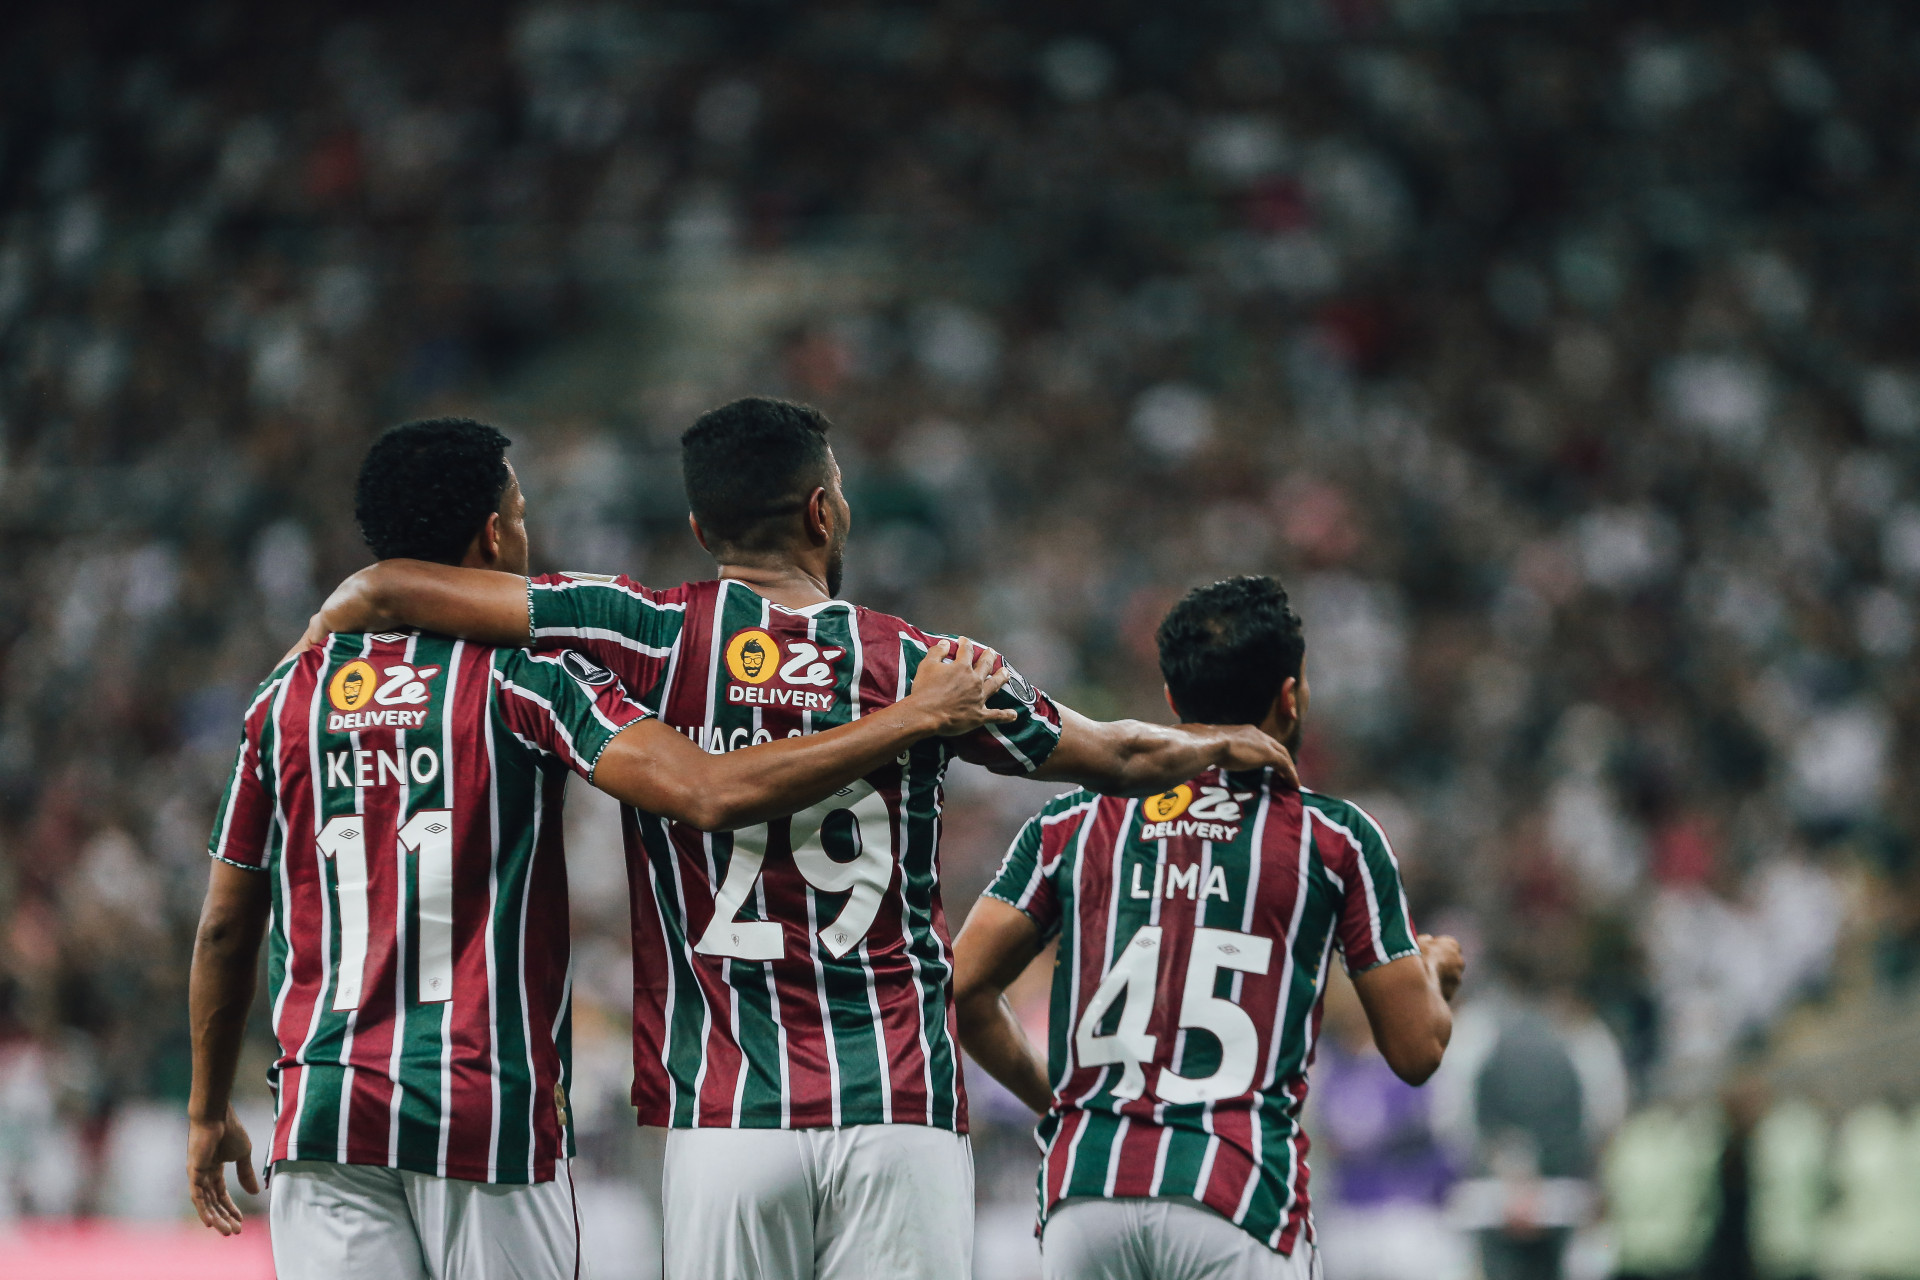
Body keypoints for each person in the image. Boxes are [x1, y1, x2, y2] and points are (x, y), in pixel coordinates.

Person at [303, 398, 1294, 1279]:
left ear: (700, 528)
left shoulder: (638, 631)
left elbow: (390, 587)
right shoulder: (925, 665)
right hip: (896, 1104)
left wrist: (324, 634)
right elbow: (1117, 754)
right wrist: (1222, 741)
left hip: (724, 1116)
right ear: (822, 510)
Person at [186, 418, 1020, 1279]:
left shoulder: (284, 697)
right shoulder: (530, 676)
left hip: (322, 1107)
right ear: (496, 533)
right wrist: (911, 718)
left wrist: (208, 1109)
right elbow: (706, 791)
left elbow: (223, 927)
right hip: (488, 1102)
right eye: (521, 510)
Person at [952, 574, 1464, 1280]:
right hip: (1235, 1194)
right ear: (1291, 696)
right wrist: (1434, 980)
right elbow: (1415, 1051)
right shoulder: (1333, 838)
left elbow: (964, 987)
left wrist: (1064, 1104)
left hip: (1085, 1198)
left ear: (1171, 700)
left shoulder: (1070, 826)